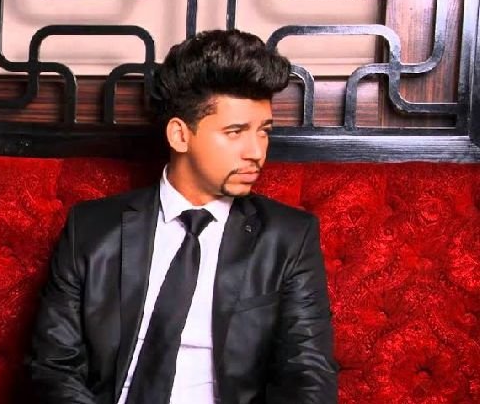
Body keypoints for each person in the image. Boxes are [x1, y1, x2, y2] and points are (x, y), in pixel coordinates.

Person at [27, 29, 337, 404]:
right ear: (179, 135)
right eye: (235, 132)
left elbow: (308, 376)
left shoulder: (288, 237)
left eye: (263, 132)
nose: (256, 151)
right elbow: (53, 368)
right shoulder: (91, 230)